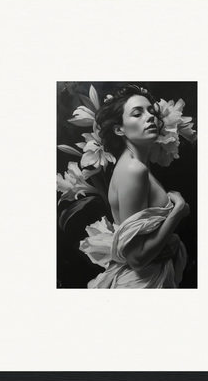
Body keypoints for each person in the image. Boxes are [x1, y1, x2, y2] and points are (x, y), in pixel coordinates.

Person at [79, 84, 190, 288]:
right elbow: (137, 259)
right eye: (137, 113)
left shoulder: (136, 165)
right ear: (119, 129)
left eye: (151, 111)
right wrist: (178, 210)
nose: (150, 117)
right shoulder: (133, 170)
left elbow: (144, 235)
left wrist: (171, 240)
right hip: (142, 283)